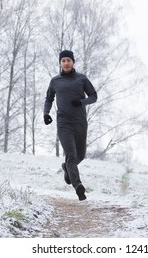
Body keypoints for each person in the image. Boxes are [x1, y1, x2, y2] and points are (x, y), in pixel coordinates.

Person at [43, 50, 97, 201]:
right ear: (60, 63)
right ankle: (78, 186)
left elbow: (94, 96)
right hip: (63, 123)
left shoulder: (82, 79)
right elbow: (48, 99)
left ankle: (66, 167)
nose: (66, 63)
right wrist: (46, 114)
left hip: (80, 122)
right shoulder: (55, 81)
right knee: (71, 155)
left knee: (80, 155)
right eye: (63, 61)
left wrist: (81, 102)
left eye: (68, 60)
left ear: (73, 62)